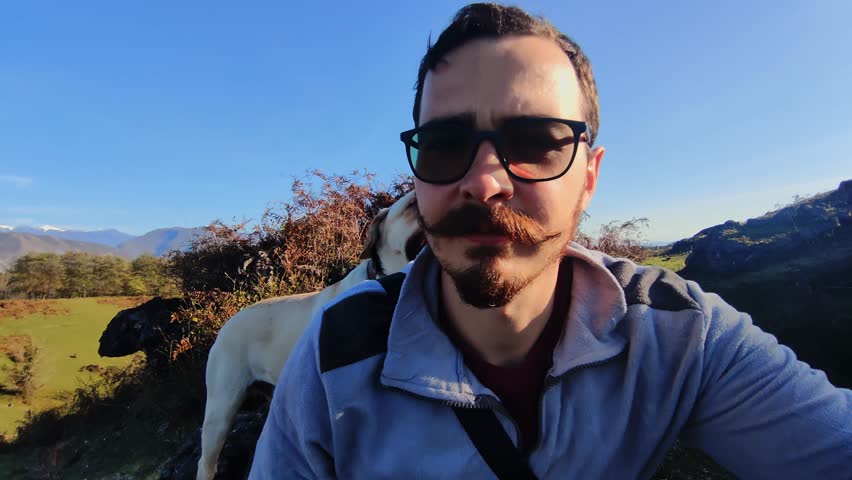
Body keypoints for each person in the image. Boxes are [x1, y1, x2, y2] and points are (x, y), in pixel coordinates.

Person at [250, 3, 852, 478]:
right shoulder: (336, 357)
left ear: (589, 177)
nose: (484, 183)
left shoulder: (678, 335)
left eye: (536, 140)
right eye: (444, 144)